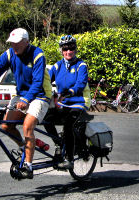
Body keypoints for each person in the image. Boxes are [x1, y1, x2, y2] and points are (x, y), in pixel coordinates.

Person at [0, 28, 52, 179]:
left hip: (39, 96)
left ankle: (28, 166)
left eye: (17, 43)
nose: (14, 46)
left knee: (27, 126)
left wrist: (26, 100)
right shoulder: (10, 54)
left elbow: (37, 83)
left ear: (26, 42)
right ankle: (25, 147)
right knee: (6, 126)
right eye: (12, 43)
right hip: (22, 95)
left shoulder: (37, 55)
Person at [44, 35, 91, 169]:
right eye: (65, 49)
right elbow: (46, 79)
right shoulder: (57, 66)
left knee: (69, 124)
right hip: (63, 103)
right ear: (61, 50)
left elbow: (80, 84)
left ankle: (69, 159)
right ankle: (59, 144)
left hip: (79, 102)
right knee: (46, 118)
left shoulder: (81, 65)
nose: (68, 51)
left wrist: (69, 92)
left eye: (71, 48)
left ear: (75, 49)